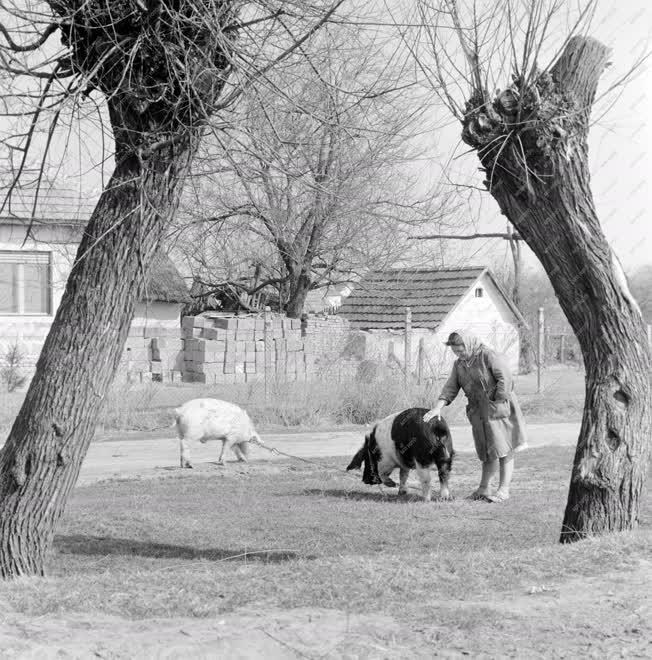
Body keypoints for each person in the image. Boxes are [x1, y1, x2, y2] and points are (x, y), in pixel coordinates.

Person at [423, 330, 528, 502]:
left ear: (469, 344)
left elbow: (506, 378)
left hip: (498, 408)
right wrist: (438, 408)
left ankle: (503, 490)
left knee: (504, 448)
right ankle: (484, 489)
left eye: (460, 350)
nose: (458, 354)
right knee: (487, 450)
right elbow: (451, 387)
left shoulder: (488, 356)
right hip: (478, 411)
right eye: (455, 352)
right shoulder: (459, 365)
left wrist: (498, 400)